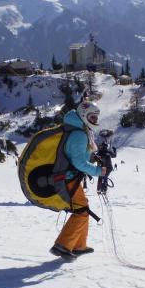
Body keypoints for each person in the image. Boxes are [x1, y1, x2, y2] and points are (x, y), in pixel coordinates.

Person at [50, 100, 106, 260]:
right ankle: (63, 245)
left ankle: (78, 245)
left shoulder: (79, 131)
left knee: (82, 208)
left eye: (95, 117)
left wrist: (92, 156)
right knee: (81, 211)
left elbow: (77, 155)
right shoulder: (79, 134)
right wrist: (98, 171)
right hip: (67, 179)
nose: (95, 120)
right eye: (92, 117)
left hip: (69, 178)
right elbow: (78, 163)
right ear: (83, 115)